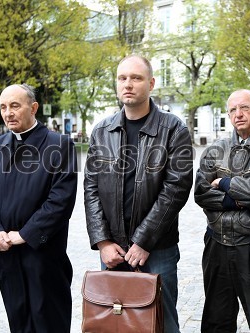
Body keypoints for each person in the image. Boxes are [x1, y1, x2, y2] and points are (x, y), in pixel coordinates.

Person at [84, 55, 193, 333]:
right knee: (115, 323)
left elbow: (176, 188)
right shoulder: (102, 130)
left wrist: (144, 240)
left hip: (158, 248)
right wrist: (102, 241)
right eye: (122, 78)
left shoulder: (173, 129)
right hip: (113, 250)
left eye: (136, 78)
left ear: (151, 83)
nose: (128, 84)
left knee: (162, 322)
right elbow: (91, 188)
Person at [0, 84, 78, 332]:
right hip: (6, 254)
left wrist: (25, 234)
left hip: (42, 255)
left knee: (49, 321)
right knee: (18, 321)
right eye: (3, 107)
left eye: (15, 105)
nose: (8, 113)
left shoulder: (59, 145)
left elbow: (60, 200)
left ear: (33, 108)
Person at [194, 89, 250, 333]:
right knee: (216, 321)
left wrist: (223, 184)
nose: (238, 114)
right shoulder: (216, 150)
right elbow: (201, 193)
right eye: (233, 110)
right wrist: (239, 200)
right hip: (216, 246)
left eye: (244, 108)